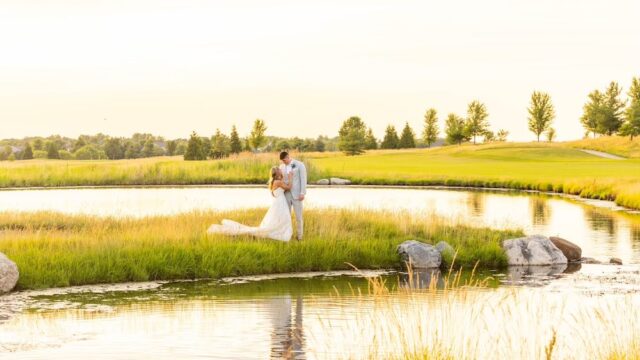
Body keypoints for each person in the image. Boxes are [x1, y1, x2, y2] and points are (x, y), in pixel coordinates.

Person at [207, 166, 294, 241]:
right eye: (279, 169)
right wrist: (290, 177)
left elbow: (282, 184)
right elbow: (289, 187)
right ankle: (280, 232)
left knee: (279, 219)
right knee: (283, 219)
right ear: (277, 172)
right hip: (280, 203)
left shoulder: (274, 182)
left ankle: (280, 231)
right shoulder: (278, 182)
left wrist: (283, 177)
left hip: (278, 203)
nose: (280, 169)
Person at [278, 151, 307, 240]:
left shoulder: (299, 165)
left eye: (284, 160)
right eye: (282, 161)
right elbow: (280, 179)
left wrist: (302, 193)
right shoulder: (281, 166)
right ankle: (287, 235)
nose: (283, 162)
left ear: (288, 157)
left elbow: (303, 179)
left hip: (297, 195)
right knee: (286, 216)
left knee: (299, 217)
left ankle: (299, 237)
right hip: (286, 194)